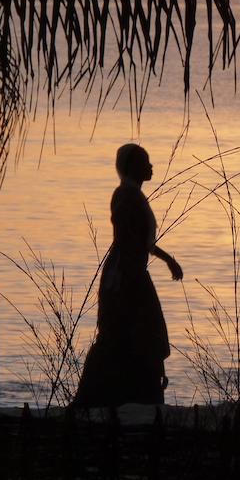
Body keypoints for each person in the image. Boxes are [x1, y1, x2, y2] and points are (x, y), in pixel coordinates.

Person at [72, 144, 183, 407]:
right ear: (133, 166)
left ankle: (136, 392)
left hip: (130, 271)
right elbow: (127, 240)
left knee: (140, 331)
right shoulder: (126, 196)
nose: (151, 166)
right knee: (127, 331)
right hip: (125, 275)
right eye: (146, 161)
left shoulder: (132, 195)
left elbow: (140, 242)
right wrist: (134, 275)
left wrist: (168, 259)